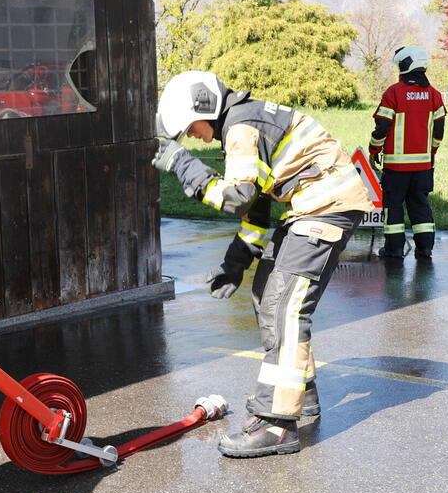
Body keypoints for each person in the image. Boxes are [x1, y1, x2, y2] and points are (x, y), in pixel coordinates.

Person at [152, 71, 373, 458]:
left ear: (205, 107)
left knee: (285, 307)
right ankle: (301, 393)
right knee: (265, 291)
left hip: (327, 206)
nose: (194, 137)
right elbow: (257, 204)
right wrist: (236, 263)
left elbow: (237, 197)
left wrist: (186, 167)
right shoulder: (243, 121)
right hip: (311, 206)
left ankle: (277, 424)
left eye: (191, 128)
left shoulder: (240, 126)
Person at [368, 46, 447, 261]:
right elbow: (439, 132)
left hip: (396, 168)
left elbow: (382, 127)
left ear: (405, 65)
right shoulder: (434, 95)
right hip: (423, 167)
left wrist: (373, 150)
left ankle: (394, 251)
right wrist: (431, 152)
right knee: (421, 208)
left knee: (393, 208)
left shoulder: (394, 93)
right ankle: (425, 250)